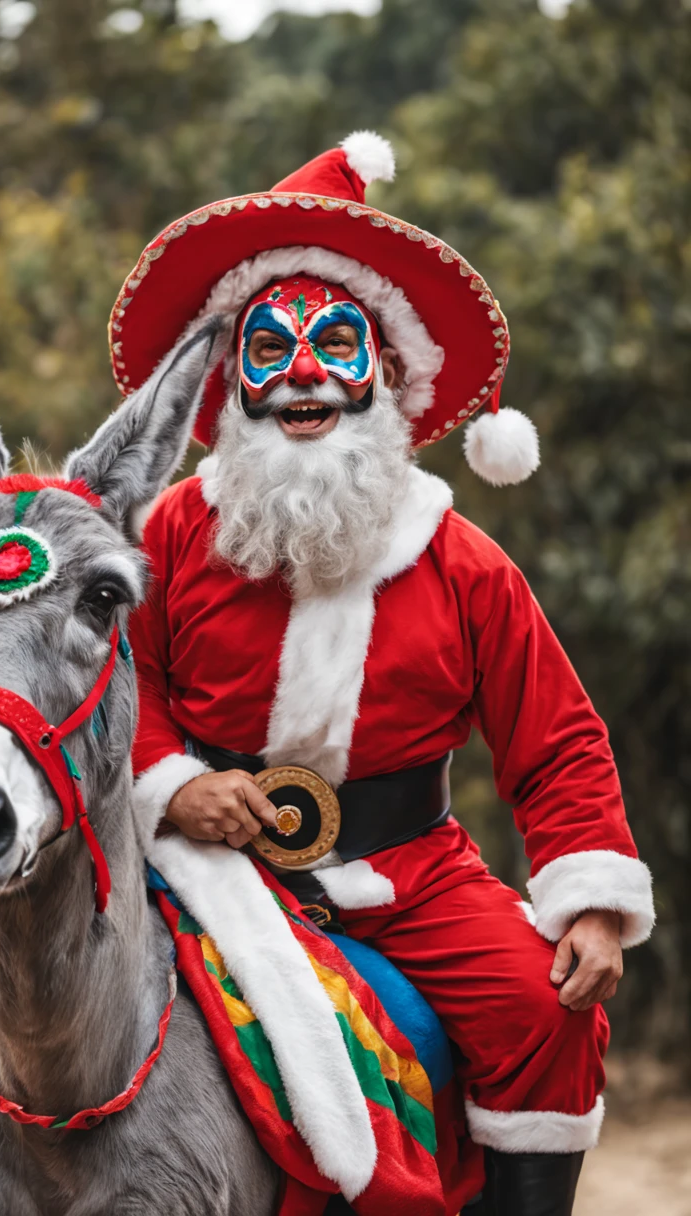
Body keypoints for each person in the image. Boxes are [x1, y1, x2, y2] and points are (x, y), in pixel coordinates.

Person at [111, 131, 654, 1216]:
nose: (303, 371)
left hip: (413, 873)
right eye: (269, 346)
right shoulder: (171, 528)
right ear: (229, 380)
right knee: (16, 990)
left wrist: (591, 904)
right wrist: (171, 785)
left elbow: (556, 741)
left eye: (333, 344)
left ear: (388, 372)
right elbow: (115, 688)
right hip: (208, 861)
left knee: (545, 1011)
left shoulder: (462, 561)